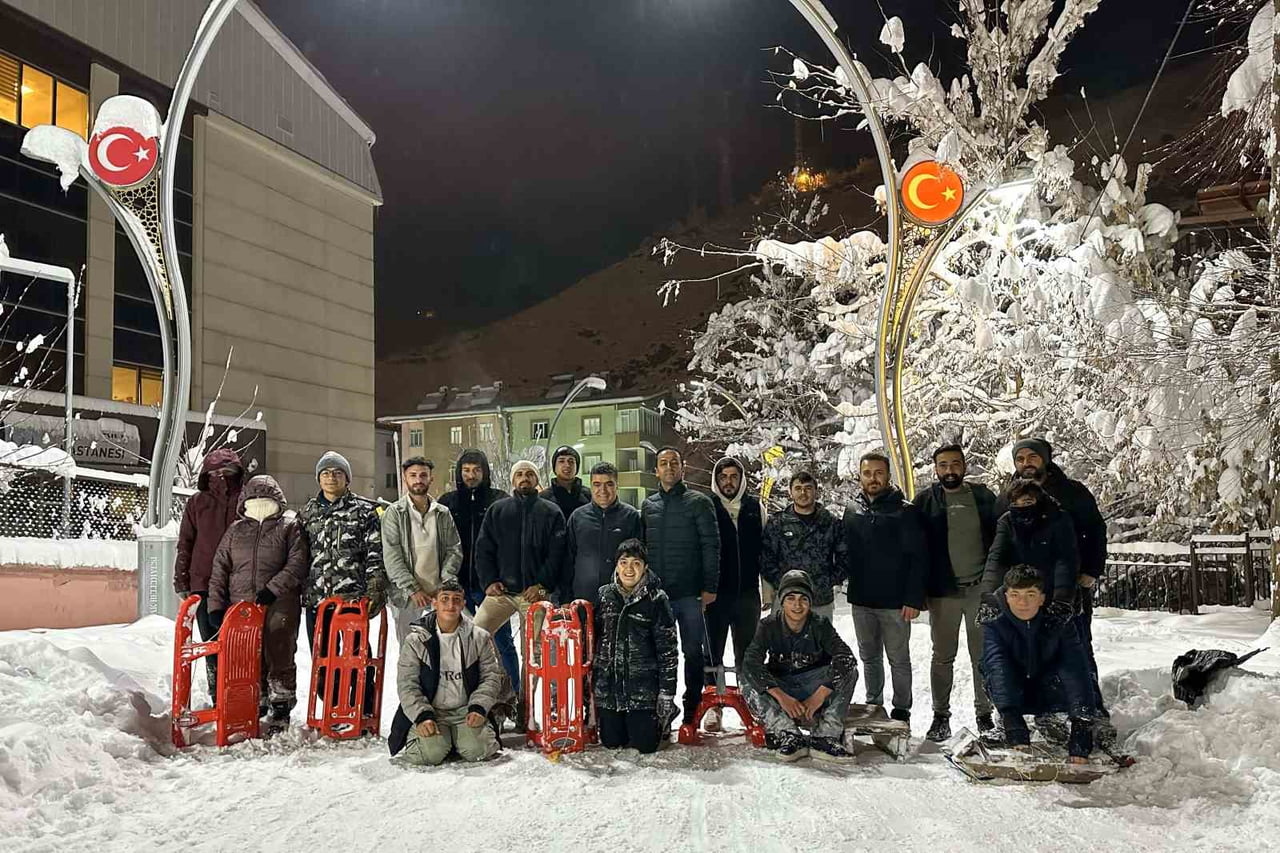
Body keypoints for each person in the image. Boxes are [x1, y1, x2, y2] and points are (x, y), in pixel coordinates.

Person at [1000, 438, 1108, 716]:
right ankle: (1045, 709)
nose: (1026, 463)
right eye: (1020, 458)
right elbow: (998, 541)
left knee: (1078, 646)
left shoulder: (1072, 492)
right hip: (1024, 593)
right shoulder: (1007, 495)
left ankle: (1091, 707)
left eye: (1032, 457)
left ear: (1045, 459)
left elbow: (1095, 530)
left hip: (1067, 587)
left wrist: (1091, 570)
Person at [206, 475, 309, 727]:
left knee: (279, 648)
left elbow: (298, 562)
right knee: (247, 653)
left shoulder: (289, 526)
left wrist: (273, 589)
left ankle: (281, 704)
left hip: (280, 600)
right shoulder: (235, 530)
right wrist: (216, 607)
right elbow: (220, 569)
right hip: (241, 603)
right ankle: (256, 700)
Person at [913, 444, 998, 742]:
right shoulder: (925, 502)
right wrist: (917, 591)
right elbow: (914, 550)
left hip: (979, 591)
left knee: (983, 656)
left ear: (964, 466)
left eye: (955, 464)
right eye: (944, 465)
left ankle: (985, 714)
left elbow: (1002, 537)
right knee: (942, 656)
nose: (950, 470)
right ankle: (940, 715)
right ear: (935, 469)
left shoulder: (983, 497)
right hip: (943, 593)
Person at [386, 579, 516, 766]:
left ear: (463, 604)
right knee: (430, 755)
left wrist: (479, 707)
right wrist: (422, 716)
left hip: (465, 709)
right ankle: (445, 740)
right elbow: (407, 684)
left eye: (456, 599)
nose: (451, 604)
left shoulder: (479, 637)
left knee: (477, 751)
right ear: (434, 603)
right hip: (432, 710)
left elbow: (491, 676)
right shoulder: (416, 640)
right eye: (444, 599)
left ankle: (460, 738)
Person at [842, 451, 928, 724]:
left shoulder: (905, 511)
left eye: (879, 472)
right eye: (867, 473)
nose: (873, 478)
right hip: (862, 600)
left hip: (895, 603)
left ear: (888, 476)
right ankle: (873, 705)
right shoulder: (852, 509)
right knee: (869, 657)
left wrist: (913, 598)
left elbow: (918, 558)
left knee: (898, 659)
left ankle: (902, 710)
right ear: (860, 477)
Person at [978, 564, 1095, 763]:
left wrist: (1081, 726)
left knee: (1059, 731)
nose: (1022, 602)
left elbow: (1075, 670)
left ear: (1041, 598)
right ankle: (1006, 720)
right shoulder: (995, 621)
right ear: (1006, 596)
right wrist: (1011, 717)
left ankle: (1049, 716)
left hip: (1048, 684)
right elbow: (998, 668)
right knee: (994, 672)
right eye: (1015, 595)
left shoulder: (1060, 621)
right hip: (1015, 684)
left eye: (1030, 595)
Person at [641, 446, 720, 733]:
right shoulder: (648, 506)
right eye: (663, 463)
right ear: (656, 470)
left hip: (690, 594)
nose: (669, 467)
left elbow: (711, 546)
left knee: (692, 652)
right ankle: (662, 708)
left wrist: (710, 587)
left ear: (682, 468)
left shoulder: (699, 502)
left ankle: (692, 708)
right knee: (659, 654)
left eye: (674, 463)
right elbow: (642, 551)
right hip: (658, 597)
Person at [741, 570, 859, 762]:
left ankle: (825, 735)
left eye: (803, 599)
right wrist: (781, 696)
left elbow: (845, 657)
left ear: (810, 603)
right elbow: (750, 662)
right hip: (783, 686)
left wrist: (818, 696)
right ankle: (787, 732)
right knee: (745, 677)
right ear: (782, 601)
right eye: (791, 598)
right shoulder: (768, 625)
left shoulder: (820, 624)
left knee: (849, 671)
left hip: (813, 686)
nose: (797, 605)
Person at [473, 460, 566, 692]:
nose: (524, 478)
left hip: (534, 594)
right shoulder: (498, 510)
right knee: (475, 636)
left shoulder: (551, 512)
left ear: (536, 480)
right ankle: (499, 693)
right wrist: (489, 581)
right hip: (502, 592)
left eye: (530, 474)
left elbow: (557, 553)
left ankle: (529, 707)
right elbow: (484, 549)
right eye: (520, 474)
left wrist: (542, 584)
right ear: (513, 480)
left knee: (534, 652)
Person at [438, 448, 518, 691]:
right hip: (458, 586)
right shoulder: (447, 503)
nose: (471, 475)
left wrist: (503, 577)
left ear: (485, 472)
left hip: (491, 586)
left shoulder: (500, 500)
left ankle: (514, 695)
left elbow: (510, 544)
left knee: (502, 643)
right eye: (466, 470)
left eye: (476, 470)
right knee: (458, 644)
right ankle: (465, 700)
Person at [591, 539, 678, 754]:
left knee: (645, 745)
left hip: (642, 692)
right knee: (611, 742)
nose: (629, 569)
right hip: (610, 690)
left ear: (645, 567)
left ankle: (663, 720)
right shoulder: (604, 595)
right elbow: (593, 642)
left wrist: (666, 694)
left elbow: (668, 652)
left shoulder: (657, 599)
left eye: (636, 563)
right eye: (623, 562)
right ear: (616, 566)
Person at [174, 448, 244, 702]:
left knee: (240, 644)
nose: (222, 476)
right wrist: (182, 578)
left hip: (240, 584)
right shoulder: (197, 502)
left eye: (228, 471)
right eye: (215, 472)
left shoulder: (246, 499)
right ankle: (218, 697)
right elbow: (186, 542)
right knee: (211, 642)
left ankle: (240, 696)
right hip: (203, 582)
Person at [703, 456, 765, 733]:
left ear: (741, 480)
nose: (728, 482)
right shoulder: (706, 506)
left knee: (748, 653)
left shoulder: (755, 507)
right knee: (712, 652)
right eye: (723, 477)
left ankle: (749, 702)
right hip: (715, 596)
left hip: (748, 594)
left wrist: (769, 592)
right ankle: (713, 706)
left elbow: (766, 551)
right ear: (716, 480)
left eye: (733, 477)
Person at [299, 451, 385, 647]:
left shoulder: (364, 511)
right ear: (318, 479)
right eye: (326, 473)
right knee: (321, 662)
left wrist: (375, 589)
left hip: (352, 599)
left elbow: (375, 554)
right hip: (317, 599)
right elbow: (299, 557)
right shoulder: (306, 513)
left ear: (347, 478)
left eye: (337, 472)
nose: (331, 477)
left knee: (356, 659)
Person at [381, 457, 464, 644]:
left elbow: (454, 549)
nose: (418, 479)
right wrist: (413, 589)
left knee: (445, 649)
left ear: (430, 479)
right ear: (405, 479)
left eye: (423, 475)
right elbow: (392, 556)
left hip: (439, 596)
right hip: (407, 596)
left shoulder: (442, 513)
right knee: (411, 651)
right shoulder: (394, 513)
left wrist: (445, 584)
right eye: (413, 475)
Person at [760, 471, 846, 620]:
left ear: (815, 491)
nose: (803, 493)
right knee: (784, 643)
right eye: (798, 488)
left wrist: (828, 581)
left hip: (820, 600)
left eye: (808, 488)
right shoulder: (777, 523)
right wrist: (784, 583)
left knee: (821, 642)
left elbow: (845, 557)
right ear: (790, 492)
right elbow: (766, 559)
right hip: (787, 600)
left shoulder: (830, 523)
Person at [982, 479, 1079, 609]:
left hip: (1051, 591)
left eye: (1028, 502)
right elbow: (996, 559)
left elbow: (1066, 560)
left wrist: (1062, 599)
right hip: (1018, 593)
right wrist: (988, 597)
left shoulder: (1058, 519)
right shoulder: (1007, 521)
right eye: (1016, 504)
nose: (1022, 508)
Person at [564, 461, 643, 607]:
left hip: (621, 600)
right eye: (597, 484)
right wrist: (565, 598)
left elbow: (640, 560)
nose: (603, 490)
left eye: (609, 484)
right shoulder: (578, 517)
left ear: (617, 485)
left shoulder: (631, 517)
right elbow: (567, 560)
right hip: (583, 599)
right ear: (591, 485)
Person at [540, 445, 592, 520]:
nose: (567, 465)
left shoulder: (589, 496)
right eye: (561, 461)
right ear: (554, 467)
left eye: (571, 461)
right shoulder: (544, 498)